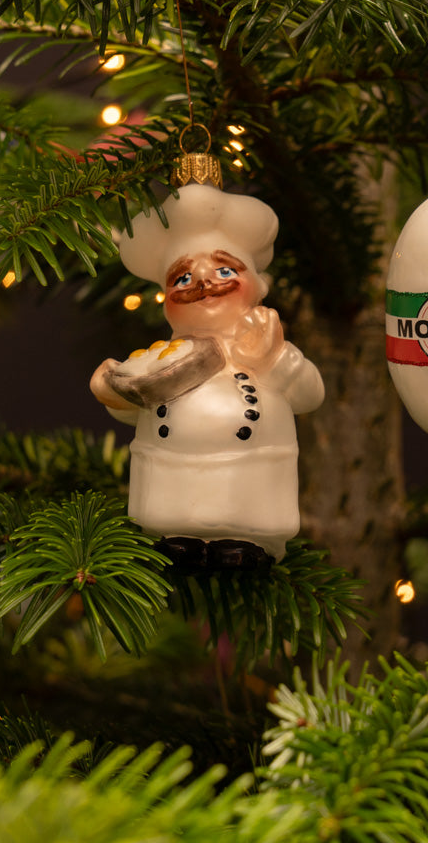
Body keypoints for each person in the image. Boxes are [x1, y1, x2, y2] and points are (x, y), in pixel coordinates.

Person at [90, 180, 324, 569]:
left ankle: (248, 543)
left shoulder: (266, 341)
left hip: (249, 478)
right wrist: (114, 395)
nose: (203, 283)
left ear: (256, 285)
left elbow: (310, 394)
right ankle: (175, 539)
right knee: (174, 514)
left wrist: (273, 360)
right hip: (171, 482)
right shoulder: (161, 357)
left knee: (242, 512)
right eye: (182, 278)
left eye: (224, 268)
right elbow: (137, 403)